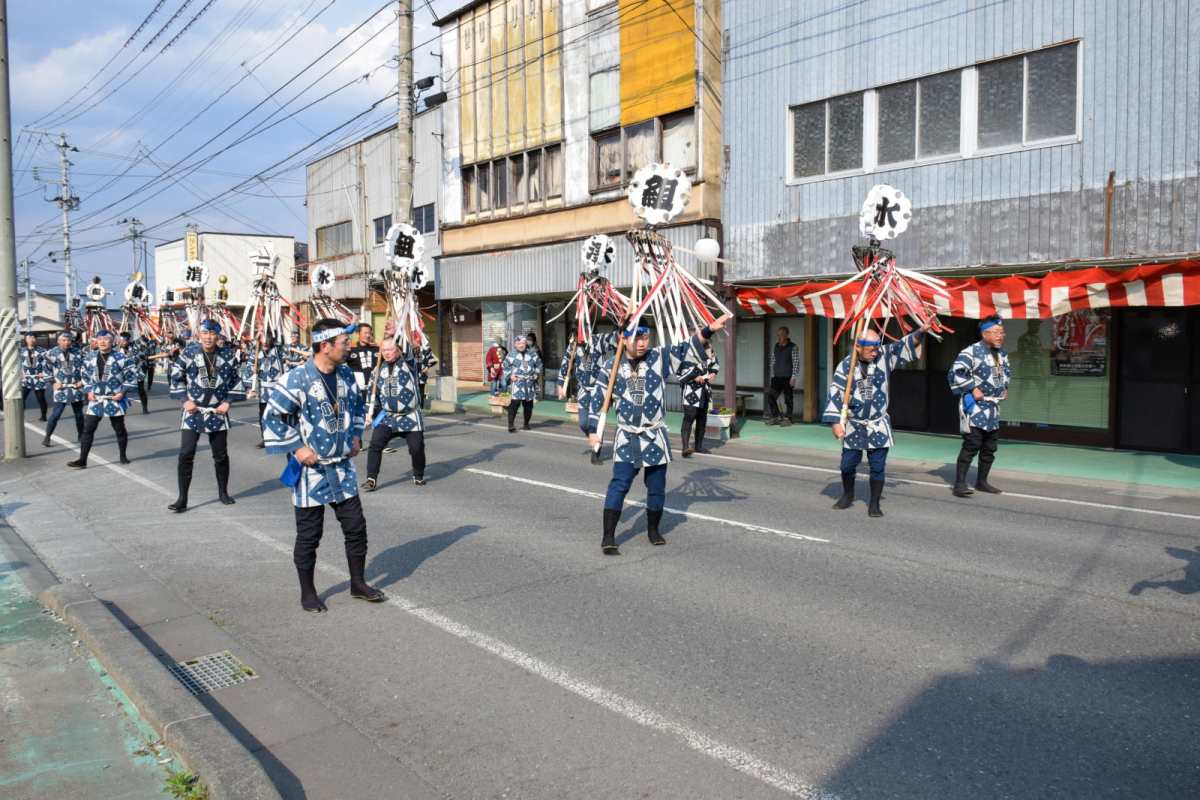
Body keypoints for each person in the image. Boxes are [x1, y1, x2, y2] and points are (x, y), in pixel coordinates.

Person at [263, 318, 384, 612]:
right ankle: (308, 592)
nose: (349, 348)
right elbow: (272, 416)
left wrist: (356, 435)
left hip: (341, 467)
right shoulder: (296, 378)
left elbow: (357, 406)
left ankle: (358, 583)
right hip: (310, 471)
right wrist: (297, 447)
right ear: (325, 346)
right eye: (345, 343)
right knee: (309, 535)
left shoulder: (346, 376)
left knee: (356, 526)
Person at [595, 314, 731, 553]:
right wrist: (594, 433)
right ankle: (608, 535)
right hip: (627, 435)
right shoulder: (611, 365)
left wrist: (708, 330)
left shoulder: (658, 357)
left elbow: (686, 348)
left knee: (656, 486)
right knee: (619, 484)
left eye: (645, 337)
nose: (642, 343)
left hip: (654, 434)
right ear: (623, 339)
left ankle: (653, 529)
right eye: (636, 338)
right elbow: (598, 400)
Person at [823, 322, 929, 517]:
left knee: (878, 466)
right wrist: (836, 423)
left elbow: (905, 344)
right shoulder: (846, 366)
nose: (875, 352)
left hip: (878, 423)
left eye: (877, 348)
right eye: (870, 350)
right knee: (847, 465)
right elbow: (835, 394)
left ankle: (874, 502)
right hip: (854, 424)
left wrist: (921, 331)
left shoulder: (884, 356)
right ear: (858, 347)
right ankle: (848, 494)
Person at [167, 320, 246, 512]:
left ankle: (223, 492)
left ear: (218, 336)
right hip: (193, 410)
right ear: (199, 334)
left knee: (220, 455)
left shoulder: (227, 355)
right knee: (186, 453)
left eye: (212, 333)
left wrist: (227, 402)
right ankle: (182, 497)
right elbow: (176, 375)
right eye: (205, 333)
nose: (208, 337)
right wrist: (185, 400)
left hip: (217, 411)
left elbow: (236, 380)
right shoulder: (189, 353)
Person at [949, 314, 1011, 496]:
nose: (1000, 336)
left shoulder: (1003, 353)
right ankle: (959, 483)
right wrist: (972, 388)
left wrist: (1004, 387)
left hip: (993, 407)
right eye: (997, 332)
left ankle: (982, 482)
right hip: (976, 407)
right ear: (985, 334)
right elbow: (955, 373)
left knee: (990, 447)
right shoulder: (971, 351)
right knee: (972, 444)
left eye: (1002, 332)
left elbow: (1006, 373)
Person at [361, 336, 427, 491]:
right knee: (375, 445)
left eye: (390, 349)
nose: (386, 353)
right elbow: (372, 393)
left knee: (416, 448)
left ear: (398, 350)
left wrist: (398, 328)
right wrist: (368, 412)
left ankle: (418, 474)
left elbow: (408, 348)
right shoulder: (378, 369)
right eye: (383, 350)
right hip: (388, 416)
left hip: (410, 415)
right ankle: (371, 478)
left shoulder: (408, 364)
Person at [67, 330, 139, 469]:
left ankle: (123, 456)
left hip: (114, 398)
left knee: (119, 429)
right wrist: (88, 391)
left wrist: (122, 393)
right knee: (88, 430)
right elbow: (85, 376)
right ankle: (82, 460)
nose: (102, 341)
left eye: (106, 339)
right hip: (96, 399)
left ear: (112, 342)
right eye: (100, 339)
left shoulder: (121, 357)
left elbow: (131, 376)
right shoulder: (89, 358)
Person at [557, 330, 620, 463]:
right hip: (583, 391)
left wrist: (621, 328)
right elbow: (565, 364)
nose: (582, 335)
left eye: (584, 330)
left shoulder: (599, 339)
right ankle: (593, 437)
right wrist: (561, 385)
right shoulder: (573, 346)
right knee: (583, 423)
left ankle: (595, 453)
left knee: (598, 421)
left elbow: (616, 338)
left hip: (600, 389)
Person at [678, 330, 720, 457]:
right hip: (691, 389)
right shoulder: (686, 349)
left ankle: (698, 445)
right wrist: (694, 377)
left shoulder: (709, 349)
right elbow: (679, 369)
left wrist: (713, 373)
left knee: (702, 419)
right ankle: (685, 446)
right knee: (689, 417)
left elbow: (715, 365)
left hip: (705, 388)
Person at [42, 332, 85, 446]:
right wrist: (53, 382)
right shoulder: (51, 353)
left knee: (79, 414)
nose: (66, 343)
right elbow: (46, 369)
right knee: (57, 413)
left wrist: (83, 380)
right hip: (60, 387)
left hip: (76, 386)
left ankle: (81, 436)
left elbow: (86, 368)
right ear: (59, 341)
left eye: (69, 340)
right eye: (64, 340)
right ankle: (47, 437)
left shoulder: (78, 353)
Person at [249, 331, 285, 449]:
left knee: (280, 413)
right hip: (263, 389)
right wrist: (251, 387)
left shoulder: (277, 349)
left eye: (268, 337)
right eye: (263, 337)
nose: (265, 340)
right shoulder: (256, 352)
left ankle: (282, 438)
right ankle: (265, 439)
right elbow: (250, 368)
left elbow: (281, 340)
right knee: (263, 415)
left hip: (277, 387)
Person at [502, 334, 542, 432]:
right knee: (515, 404)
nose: (521, 345)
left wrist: (536, 373)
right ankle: (511, 425)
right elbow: (505, 366)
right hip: (518, 382)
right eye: (519, 343)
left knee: (528, 405)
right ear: (515, 344)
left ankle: (526, 424)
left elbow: (539, 363)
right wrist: (510, 375)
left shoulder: (532, 354)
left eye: (523, 343)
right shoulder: (511, 354)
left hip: (529, 382)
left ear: (526, 344)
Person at [765, 327, 799, 426]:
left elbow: (796, 363)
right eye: (778, 335)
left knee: (788, 399)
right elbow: (773, 361)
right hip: (777, 377)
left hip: (788, 377)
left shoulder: (793, 347)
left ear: (786, 335)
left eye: (781, 335)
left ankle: (788, 419)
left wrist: (794, 377)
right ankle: (775, 415)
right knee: (771, 397)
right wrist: (773, 375)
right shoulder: (776, 346)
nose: (778, 337)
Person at [117, 332, 150, 414]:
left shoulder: (134, 347)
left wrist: (143, 336)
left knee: (141, 390)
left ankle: (145, 408)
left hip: (137, 372)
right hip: (123, 373)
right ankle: (122, 409)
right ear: (120, 339)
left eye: (127, 341)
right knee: (121, 392)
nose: (125, 342)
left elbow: (144, 344)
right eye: (123, 340)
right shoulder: (115, 349)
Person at [20, 332, 48, 421]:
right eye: (29, 338)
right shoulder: (21, 351)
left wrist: (44, 372)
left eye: (33, 338)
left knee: (40, 398)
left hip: (38, 377)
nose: (31, 340)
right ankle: (21, 416)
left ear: (36, 339)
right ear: (25, 339)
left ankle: (43, 416)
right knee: (22, 398)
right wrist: (20, 374)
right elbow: (17, 363)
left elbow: (48, 363)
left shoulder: (42, 351)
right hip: (26, 377)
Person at [346, 322, 378, 395]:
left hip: (374, 389)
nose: (368, 335)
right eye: (365, 333)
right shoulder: (350, 348)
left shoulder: (377, 348)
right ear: (358, 334)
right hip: (357, 390)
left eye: (369, 333)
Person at [417, 342, 437, 408]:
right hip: (411, 374)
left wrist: (427, 367)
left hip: (422, 374)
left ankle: (420, 407)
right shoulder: (408, 346)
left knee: (420, 391)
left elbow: (432, 360)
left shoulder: (425, 347)